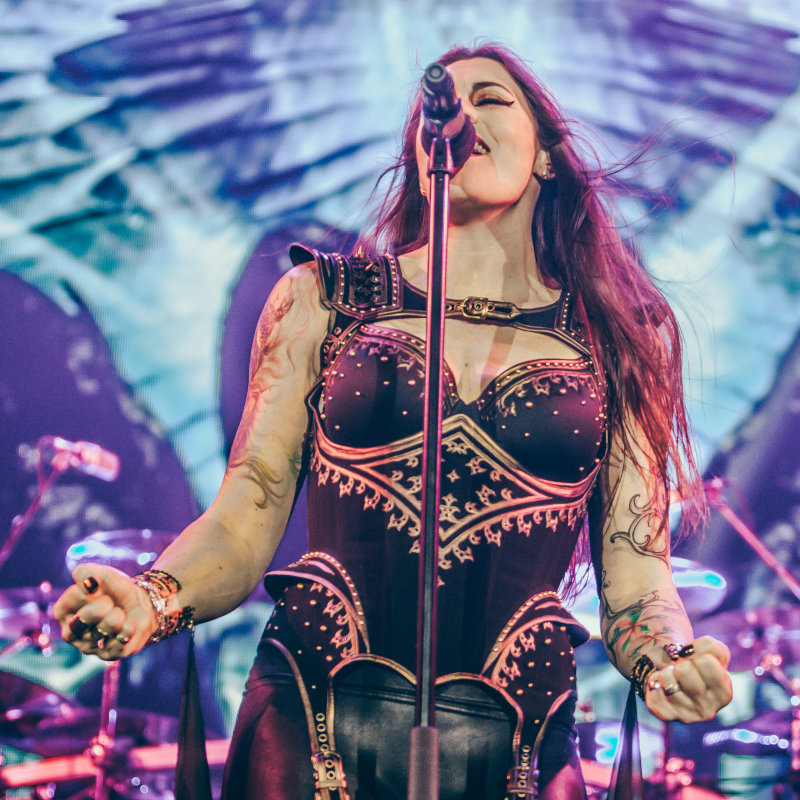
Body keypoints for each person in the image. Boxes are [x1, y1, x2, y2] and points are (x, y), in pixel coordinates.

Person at [54, 43, 733, 799]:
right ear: (421, 154)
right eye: (442, 109)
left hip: (516, 740)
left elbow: (636, 571)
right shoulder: (322, 300)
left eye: (493, 100)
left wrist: (671, 656)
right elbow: (245, 515)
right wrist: (147, 600)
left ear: (546, 155)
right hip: (311, 715)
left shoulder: (619, 336)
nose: (462, 116)